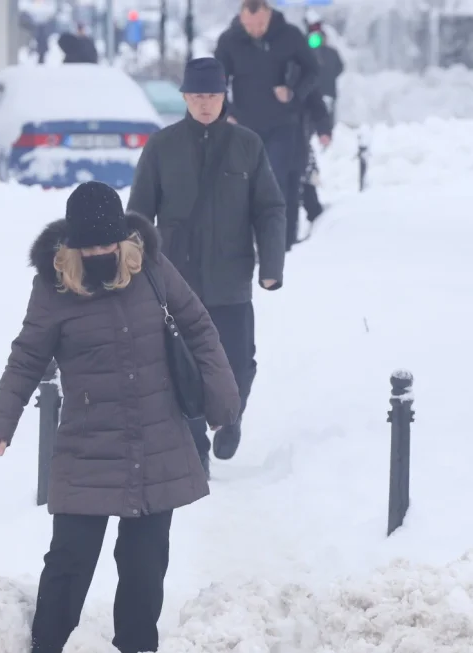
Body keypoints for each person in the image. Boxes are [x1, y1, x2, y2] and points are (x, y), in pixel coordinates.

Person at [0, 181, 242, 653]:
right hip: (88, 444)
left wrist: (223, 402)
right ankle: (46, 646)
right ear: (74, 245)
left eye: (109, 243)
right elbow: (26, 357)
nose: (102, 252)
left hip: (154, 439)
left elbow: (198, 327)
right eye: (91, 245)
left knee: (145, 566)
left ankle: (137, 648)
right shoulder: (53, 287)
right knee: (69, 560)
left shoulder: (151, 269)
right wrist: (2, 421)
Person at [127, 57, 286, 472]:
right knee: (181, 363)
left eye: (212, 96)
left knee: (238, 361)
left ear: (223, 97)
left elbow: (270, 209)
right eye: (197, 96)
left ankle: (230, 420)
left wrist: (271, 266)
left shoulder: (247, 145)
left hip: (231, 277)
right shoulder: (162, 146)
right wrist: (135, 267)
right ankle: (195, 443)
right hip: (176, 277)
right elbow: (139, 212)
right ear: (184, 97)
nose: (205, 103)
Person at [214, 0, 319, 252]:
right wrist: (225, 113)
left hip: (282, 122)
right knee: (244, 184)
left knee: (277, 181)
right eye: (249, 25)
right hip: (244, 125)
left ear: (269, 14)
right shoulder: (230, 40)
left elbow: (313, 70)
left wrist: (294, 93)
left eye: (260, 23)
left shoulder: (289, 35)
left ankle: (278, 244)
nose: (255, 30)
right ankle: (246, 243)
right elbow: (217, 79)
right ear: (241, 18)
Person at [299, 88, 333, 227]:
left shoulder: (297, 69)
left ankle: (317, 224)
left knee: (305, 182)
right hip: (259, 135)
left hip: (297, 137)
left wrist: (324, 130)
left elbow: (315, 102)